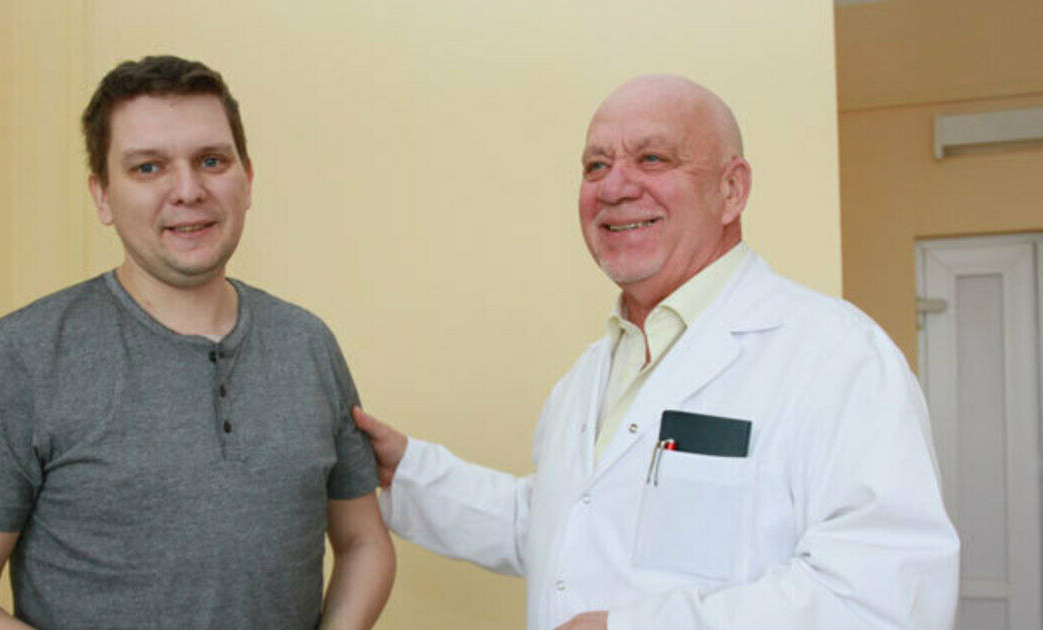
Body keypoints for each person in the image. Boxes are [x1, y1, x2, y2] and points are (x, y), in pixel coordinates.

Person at [353, 75, 958, 630]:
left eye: (652, 159)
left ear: (731, 190)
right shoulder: (590, 374)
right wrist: (408, 471)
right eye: (595, 165)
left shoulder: (836, 356)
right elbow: (558, 527)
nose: (615, 187)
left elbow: (885, 596)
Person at [0, 55, 394, 630]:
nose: (188, 190)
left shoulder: (308, 344)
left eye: (211, 161)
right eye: (148, 168)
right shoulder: (25, 355)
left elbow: (364, 544)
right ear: (102, 196)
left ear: (247, 179)